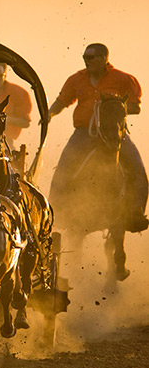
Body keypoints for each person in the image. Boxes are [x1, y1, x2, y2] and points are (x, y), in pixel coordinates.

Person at [48, 43, 148, 232]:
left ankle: (135, 214)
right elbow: (62, 101)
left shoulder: (123, 79)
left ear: (104, 58)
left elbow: (136, 106)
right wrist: (49, 114)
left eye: (91, 57)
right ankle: (55, 214)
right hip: (84, 133)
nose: (86, 61)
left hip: (115, 133)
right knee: (64, 168)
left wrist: (114, 108)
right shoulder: (76, 79)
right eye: (85, 57)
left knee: (137, 169)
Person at [0, 62, 32, 146]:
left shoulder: (18, 93)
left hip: (6, 142)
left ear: (5, 75)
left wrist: (4, 119)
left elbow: (25, 122)